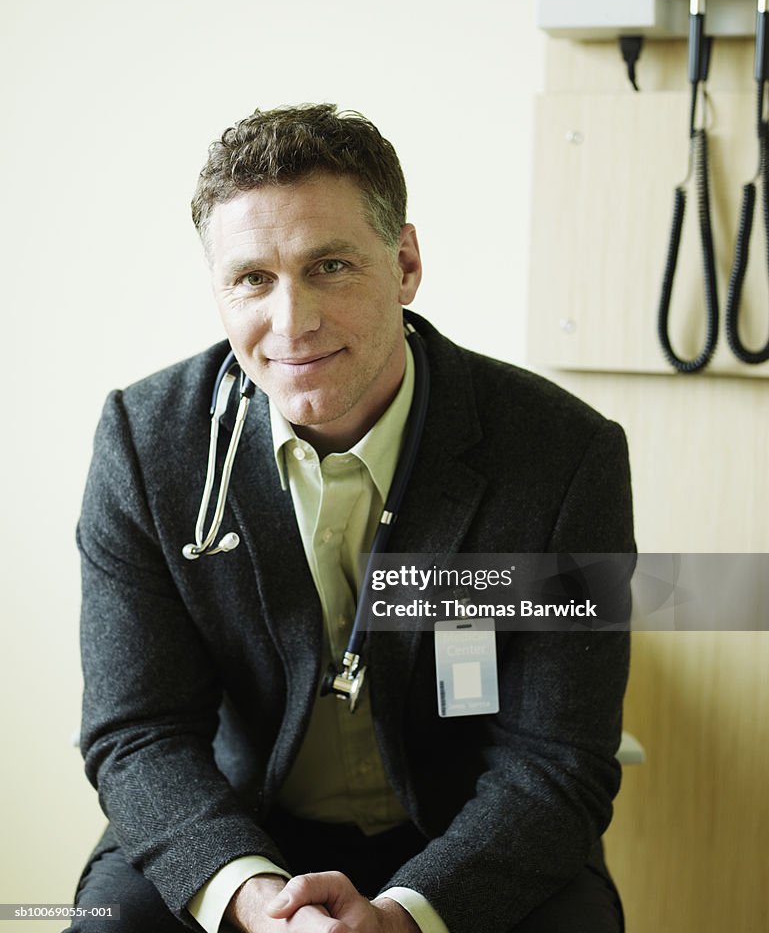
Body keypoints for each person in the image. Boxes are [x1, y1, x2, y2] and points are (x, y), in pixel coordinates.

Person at [69, 104, 635, 933]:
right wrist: (255, 897)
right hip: (238, 824)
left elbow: (555, 759)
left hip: (464, 829)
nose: (291, 321)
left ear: (403, 263)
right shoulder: (146, 446)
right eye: (252, 278)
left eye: (329, 265)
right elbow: (139, 731)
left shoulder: (559, 456)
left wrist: (406, 914)